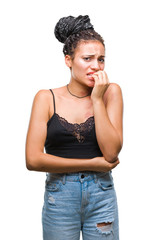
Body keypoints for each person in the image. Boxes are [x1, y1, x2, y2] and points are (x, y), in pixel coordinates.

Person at [25, 15, 122, 240]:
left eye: (101, 59)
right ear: (68, 60)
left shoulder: (110, 93)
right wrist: (91, 164)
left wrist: (97, 100)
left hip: (102, 194)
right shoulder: (46, 98)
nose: (95, 67)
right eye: (87, 58)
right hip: (60, 195)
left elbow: (111, 152)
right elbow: (33, 159)